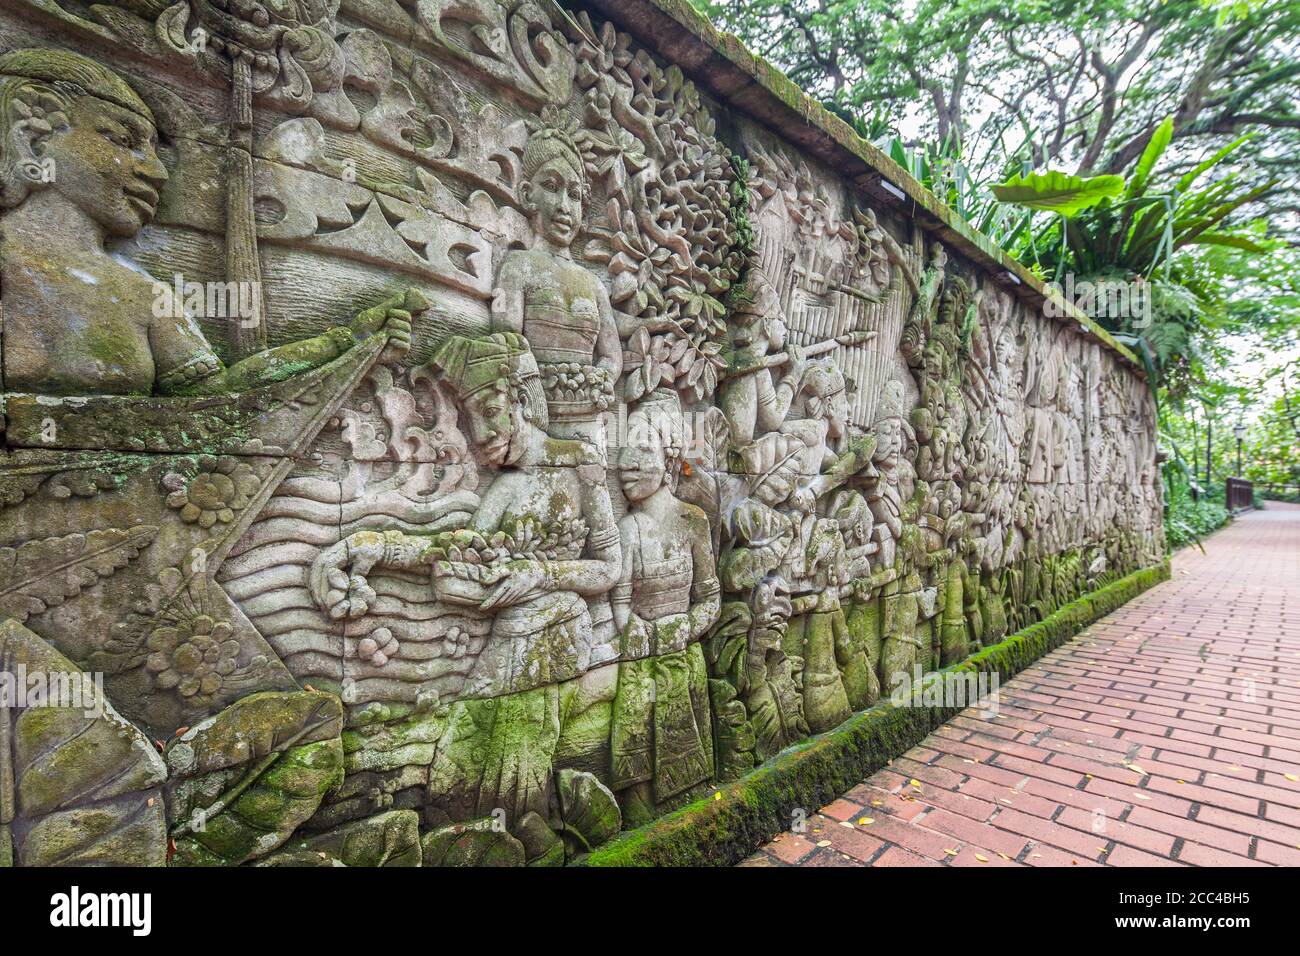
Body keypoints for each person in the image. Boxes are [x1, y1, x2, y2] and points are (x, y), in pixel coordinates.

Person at [0, 48, 409, 398]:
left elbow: (216, 394)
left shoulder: (144, 294)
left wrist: (344, 342)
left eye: (153, 149)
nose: (158, 171)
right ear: (32, 138)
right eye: (123, 141)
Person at [609, 396, 721, 823]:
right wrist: (630, 625)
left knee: (689, 774)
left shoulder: (693, 521)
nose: (628, 463)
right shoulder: (626, 530)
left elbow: (709, 598)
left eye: (642, 451)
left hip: (682, 654)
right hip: (640, 663)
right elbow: (620, 603)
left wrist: (689, 626)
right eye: (623, 453)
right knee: (640, 779)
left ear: (669, 457)